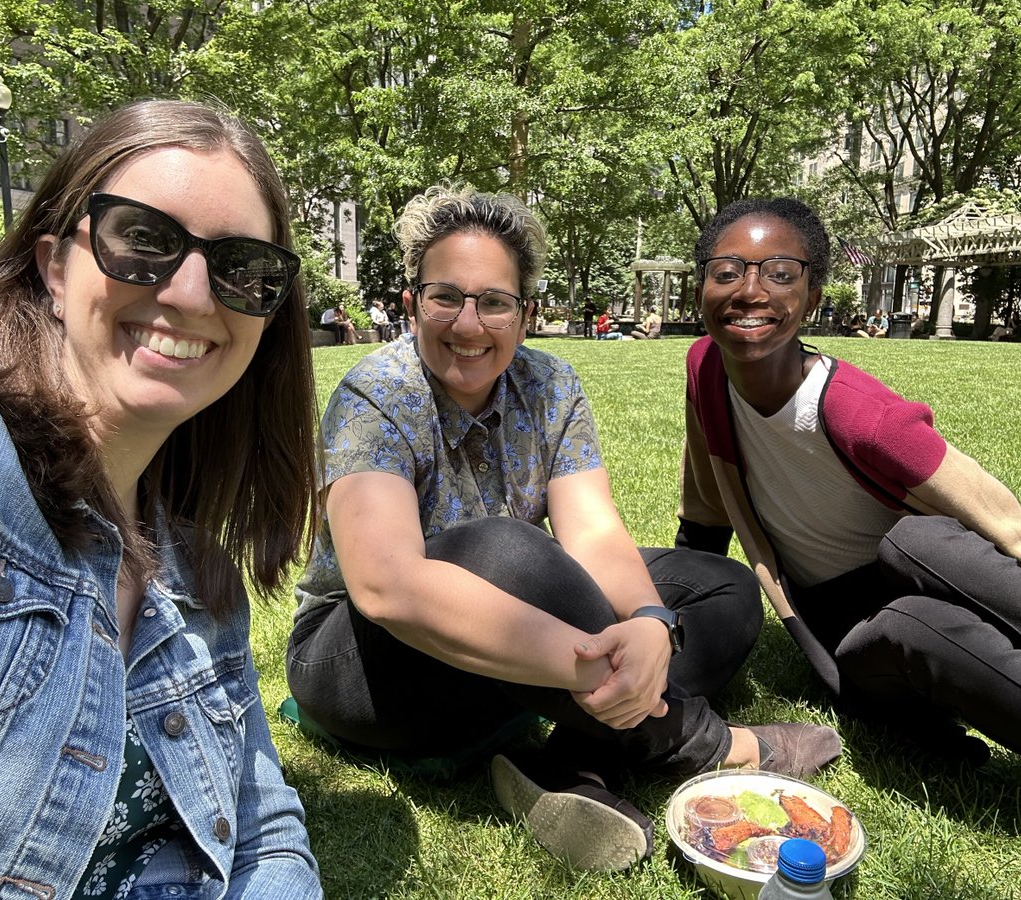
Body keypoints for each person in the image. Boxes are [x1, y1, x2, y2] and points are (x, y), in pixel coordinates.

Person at [287, 184, 840, 873]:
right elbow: (386, 586)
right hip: (368, 663)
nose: (468, 324)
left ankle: (573, 763)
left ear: (525, 313)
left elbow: (596, 534)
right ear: (411, 304)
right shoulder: (377, 393)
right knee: (501, 545)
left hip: (515, 636)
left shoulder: (550, 386)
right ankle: (701, 742)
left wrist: (645, 624)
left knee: (719, 588)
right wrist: (598, 666)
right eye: (445, 297)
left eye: (494, 302)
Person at [0, 99, 322, 897]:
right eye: (143, 240)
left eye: (241, 266)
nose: (188, 293)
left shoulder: (199, 577)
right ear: (53, 266)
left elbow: (264, 830)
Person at [679, 196, 1021, 813]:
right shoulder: (705, 365)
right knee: (912, 625)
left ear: (813, 297)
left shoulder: (862, 415)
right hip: (860, 637)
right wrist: (687, 592)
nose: (750, 290)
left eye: (781, 273)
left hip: (952, 583)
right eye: (727, 271)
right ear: (701, 283)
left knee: (921, 543)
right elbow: (706, 491)